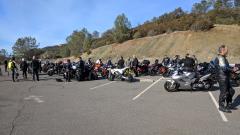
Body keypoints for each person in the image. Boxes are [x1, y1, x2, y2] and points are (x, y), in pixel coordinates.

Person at [214, 45, 237, 113]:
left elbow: (226, 66)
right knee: (224, 92)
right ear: (222, 50)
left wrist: (233, 68)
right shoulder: (220, 58)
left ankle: (228, 104)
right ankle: (221, 106)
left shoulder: (223, 58)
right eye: (226, 50)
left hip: (225, 77)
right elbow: (223, 68)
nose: (227, 51)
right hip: (222, 78)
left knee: (231, 91)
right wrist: (232, 70)